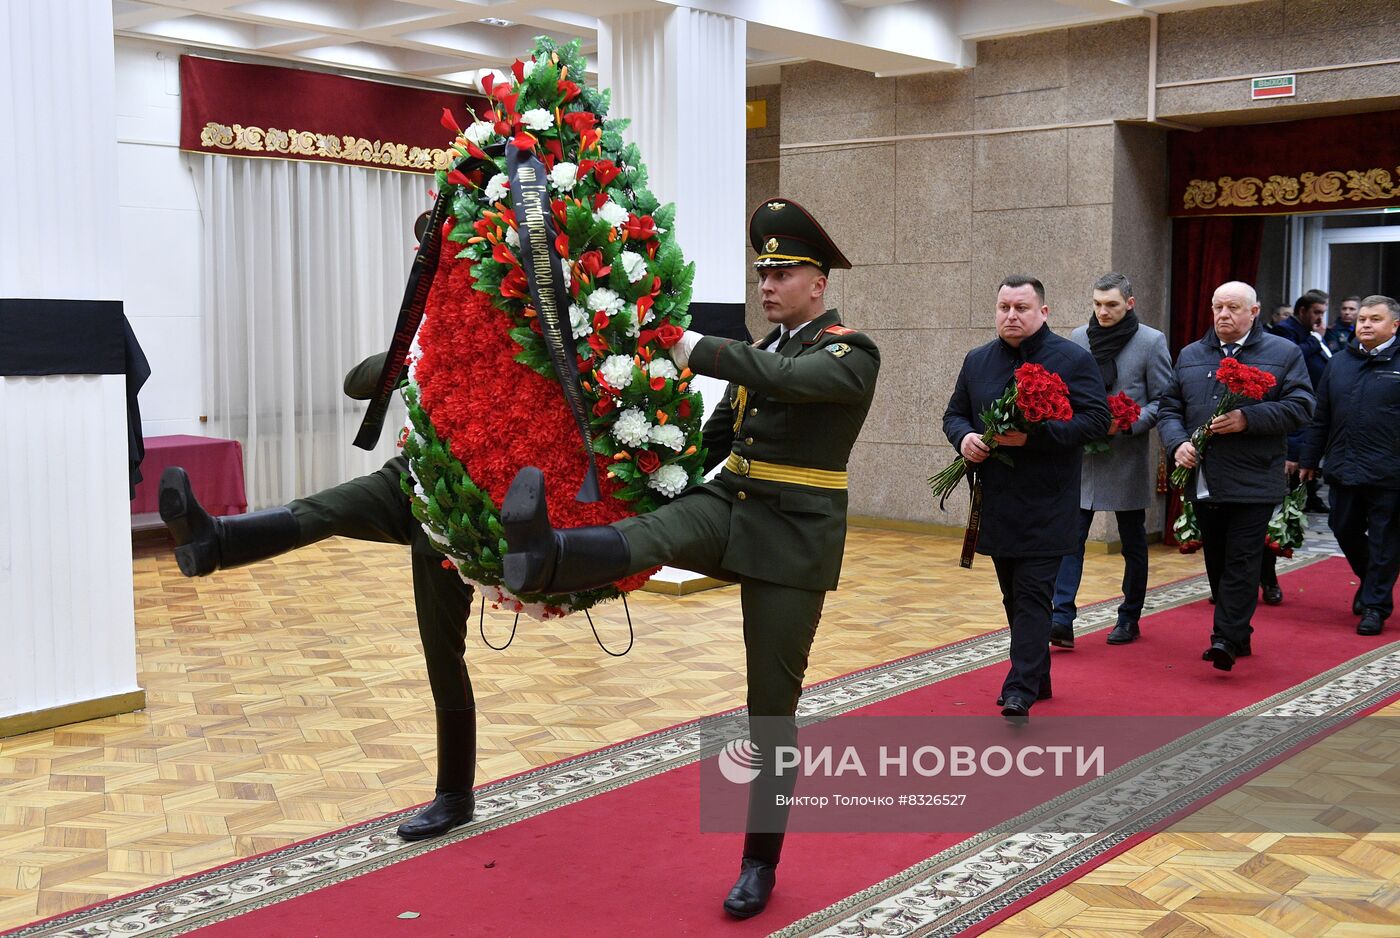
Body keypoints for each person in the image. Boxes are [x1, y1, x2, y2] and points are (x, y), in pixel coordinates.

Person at [497, 198, 879, 919]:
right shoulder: (763, 351)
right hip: (732, 506)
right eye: (762, 271)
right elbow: (719, 433)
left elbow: (798, 387)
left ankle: (759, 862)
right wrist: (659, 474)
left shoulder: (850, 351)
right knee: (661, 531)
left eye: (782, 272)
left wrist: (694, 348)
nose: (766, 284)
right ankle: (545, 556)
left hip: (793, 541)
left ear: (818, 283)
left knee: (771, 710)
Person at [159, 349, 479, 842]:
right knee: (326, 509)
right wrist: (416, 344)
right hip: (417, 477)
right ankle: (214, 543)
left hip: (470, 503)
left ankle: (455, 795)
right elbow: (357, 383)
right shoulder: (439, 332)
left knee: (442, 651)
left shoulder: (522, 325)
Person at [943, 275, 1110, 715]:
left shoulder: (1072, 359)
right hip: (996, 500)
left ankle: (1020, 687)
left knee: (1034, 594)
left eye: (1021, 308)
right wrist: (964, 440)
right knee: (1013, 597)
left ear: (1043, 312)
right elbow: (954, 414)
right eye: (1004, 308)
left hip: (1049, 502)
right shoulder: (977, 361)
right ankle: (1039, 675)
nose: (1011, 316)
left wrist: (1033, 437)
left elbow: (1095, 421)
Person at [1158, 281, 1314, 671]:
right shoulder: (1191, 355)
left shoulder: (1283, 353)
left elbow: (1301, 407)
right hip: (1205, 478)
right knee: (1218, 560)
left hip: (1254, 479)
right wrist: (1177, 444)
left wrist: (1248, 418)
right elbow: (1169, 407)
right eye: (1217, 307)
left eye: (1232, 307)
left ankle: (1224, 637)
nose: (1223, 315)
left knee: (1243, 560)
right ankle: (1237, 632)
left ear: (1254, 311)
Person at [1050, 273, 1172, 647]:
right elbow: (1063, 390)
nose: (1103, 312)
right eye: (1097, 304)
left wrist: (1130, 422)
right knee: (1070, 539)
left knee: (1133, 543)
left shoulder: (1151, 341)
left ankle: (1129, 617)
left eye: (1112, 305)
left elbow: (1163, 399)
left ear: (1129, 304)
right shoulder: (1077, 338)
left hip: (1126, 456)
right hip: (1082, 457)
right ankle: (1061, 618)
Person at [1299, 294, 1400, 636]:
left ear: (1394, 325)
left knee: (1386, 539)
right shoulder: (1339, 362)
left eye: (1375, 319)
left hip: (1391, 471)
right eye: (1362, 320)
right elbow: (1321, 416)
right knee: (1342, 528)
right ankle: (1374, 579)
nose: (1366, 324)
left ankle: (1375, 606)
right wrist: (1309, 459)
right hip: (1344, 465)